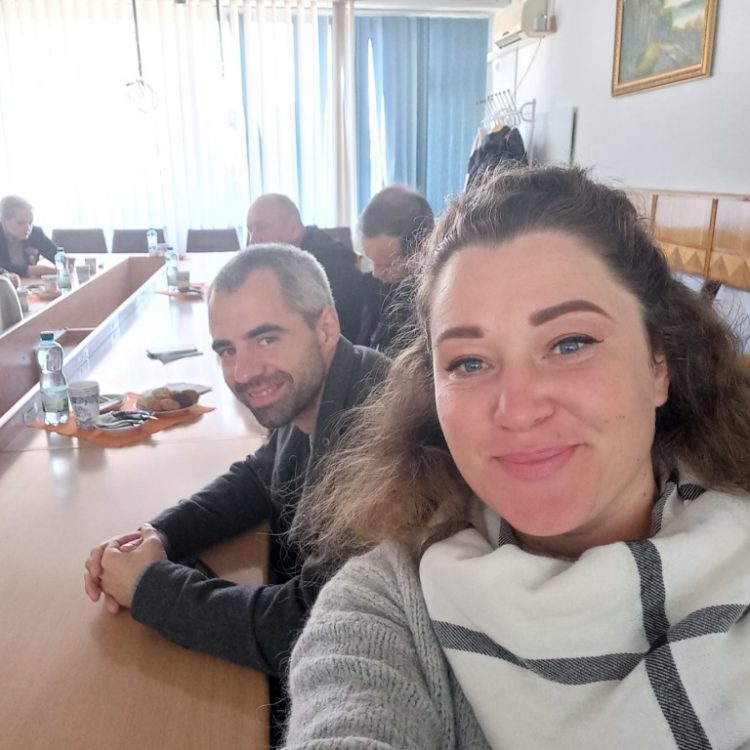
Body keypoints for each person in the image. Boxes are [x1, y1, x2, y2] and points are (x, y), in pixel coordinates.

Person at [282, 167, 750, 749]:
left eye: (570, 344)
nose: (518, 411)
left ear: (659, 364)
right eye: (469, 362)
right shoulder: (387, 607)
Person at [83, 245, 388, 742]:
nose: (243, 372)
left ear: (325, 327)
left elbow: (311, 624)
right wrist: (159, 534)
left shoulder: (378, 435)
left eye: (265, 338)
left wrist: (150, 588)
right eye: (227, 350)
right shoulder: (318, 390)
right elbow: (257, 478)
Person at [246, 194, 364, 342]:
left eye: (261, 227)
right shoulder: (286, 262)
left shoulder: (323, 269)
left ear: (293, 228)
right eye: (250, 230)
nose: (253, 240)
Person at [356, 185, 434, 355]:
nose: (376, 273)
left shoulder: (430, 308)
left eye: (386, 265)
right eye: (372, 262)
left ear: (419, 253)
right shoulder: (372, 287)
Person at [0, 194, 57, 281]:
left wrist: (65, 266)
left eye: (30, 222)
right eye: (20, 223)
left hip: (28, 284)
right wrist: (31, 270)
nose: (27, 228)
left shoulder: (35, 233)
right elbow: (2, 267)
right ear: (3, 221)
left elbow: (57, 255)